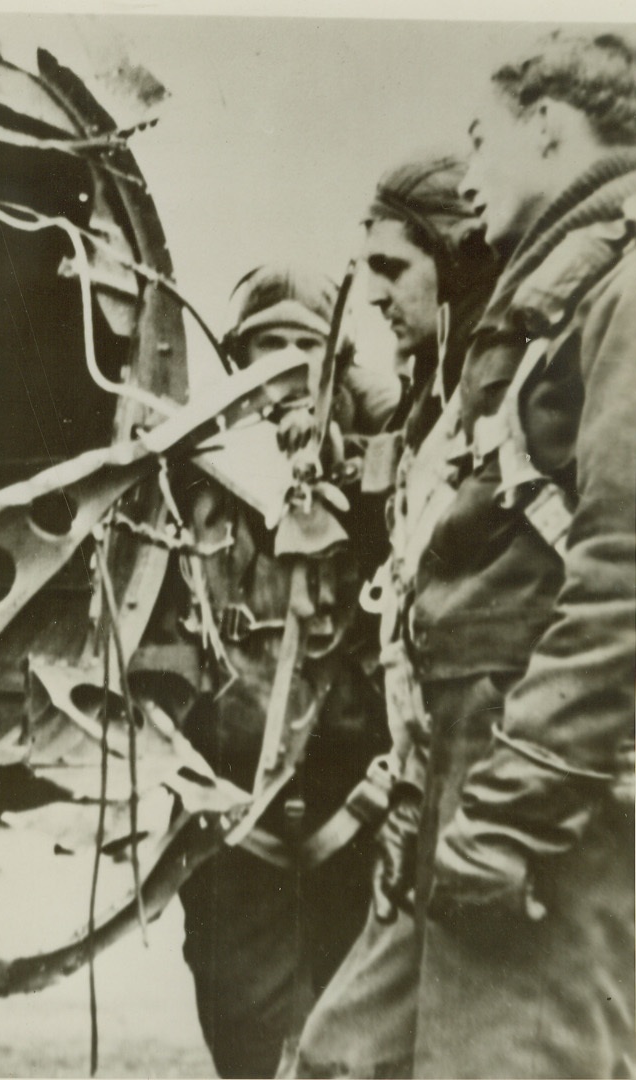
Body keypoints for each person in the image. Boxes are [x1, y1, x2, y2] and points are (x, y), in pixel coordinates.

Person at [301, 32, 636, 1079]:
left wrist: (512, 806)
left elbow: (626, 573)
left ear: (548, 129)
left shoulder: (619, 291)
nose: (471, 171)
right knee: (343, 1062)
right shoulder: (563, 292)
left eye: (481, 139)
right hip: (467, 762)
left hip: (540, 786)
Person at [137, 264, 398, 1078]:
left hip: (355, 795)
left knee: (354, 1018)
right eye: (264, 346)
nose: (284, 366)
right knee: (238, 1009)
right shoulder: (188, 478)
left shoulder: (386, 475)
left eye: (303, 347)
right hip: (226, 796)